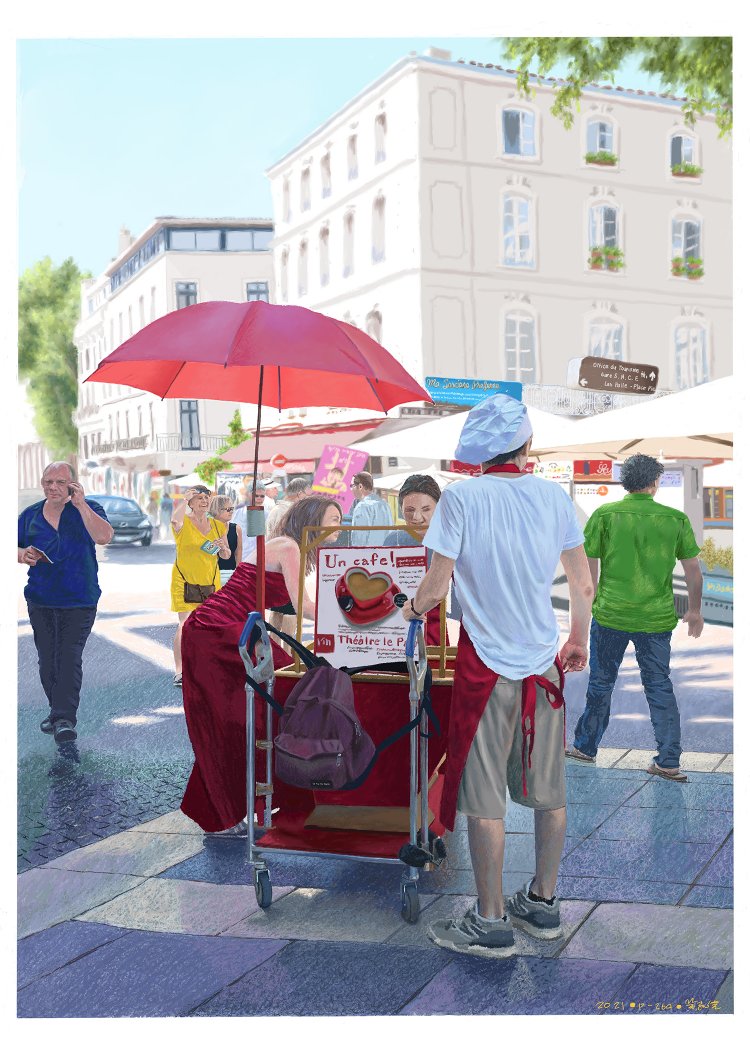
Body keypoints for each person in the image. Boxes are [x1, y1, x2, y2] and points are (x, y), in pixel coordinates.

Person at [401, 394, 594, 958]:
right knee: (548, 791)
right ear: (526, 446)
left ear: (476, 453)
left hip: (484, 666)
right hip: (543, 668)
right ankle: (543, 902)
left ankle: (489, 922)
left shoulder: (459, 500)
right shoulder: (553, 497)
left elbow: (436, 588)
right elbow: (582, 585)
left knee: (484, 800)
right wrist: (577, 639)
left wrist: (409, 611)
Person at [179, 496, 343, 833]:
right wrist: (354, 613)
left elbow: (283, 610)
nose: (338, 527)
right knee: (255, 708)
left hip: (227, 628)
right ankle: (243, 805)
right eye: (332, 519)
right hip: (217, 629)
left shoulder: (287, 547)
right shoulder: (289, 547)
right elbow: (304, 606)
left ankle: (238, 805)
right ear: (311, 520)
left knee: (239, 717)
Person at [566, 453, 703, 782]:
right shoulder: (674, 519)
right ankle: (669, 760)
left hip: (610, 614)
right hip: (655, 619)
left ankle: (585, 747)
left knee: (601, 683)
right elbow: (694, 572)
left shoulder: (605, 515)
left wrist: (594, 597)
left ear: (625, 482)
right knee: (658, 686)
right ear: (655, 482)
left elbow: (589, 569)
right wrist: (695, 610)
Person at [18, 461, 114, 744]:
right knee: (48, 660)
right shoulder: (31, 515)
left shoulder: (89, 508)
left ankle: (64, 719)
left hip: (80, 600)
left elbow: (104, 536)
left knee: (69, 656)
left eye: (60, 482)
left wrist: (81, 504)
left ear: (73, 485)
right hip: (41, 599)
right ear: (42, 484)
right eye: (48, 482)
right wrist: (22, 553)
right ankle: (56, 711)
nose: (53, 487)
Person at [170, 485, 230, 687]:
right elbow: (174, 520)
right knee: (185, 624)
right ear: (191, 502)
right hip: (184, 579)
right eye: (199, 498)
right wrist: (182, 499)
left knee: (209, 625)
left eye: (206, 498)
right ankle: (180, 671)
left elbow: (226, 555)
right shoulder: (183, 522)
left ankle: (205, 665)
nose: (204, 501)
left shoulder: (218, 526)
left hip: (210, 581)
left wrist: (223, 549)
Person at [384, 474, 444, 645]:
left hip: (435, 630)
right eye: (409, 510)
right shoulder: (392, 540)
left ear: (438, 508)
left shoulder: (448, 542)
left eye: (426, 509)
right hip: (394, 628)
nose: (417, 518)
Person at [350, 470, 393, 546]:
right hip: (387, 553)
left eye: (352, 486)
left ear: (360, 486)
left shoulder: (362, 507)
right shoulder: (384, 504)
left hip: (368, 555)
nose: (351, 489)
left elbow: (359, 540)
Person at [210, 494, 242, 584]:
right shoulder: (207, 528)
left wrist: (238, 575)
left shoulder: (236, 529)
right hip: (212, 575)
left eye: (232, 509)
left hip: (231, 574)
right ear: (217, 510)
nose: (231, 512)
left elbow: (238, 553)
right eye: (228, 509)